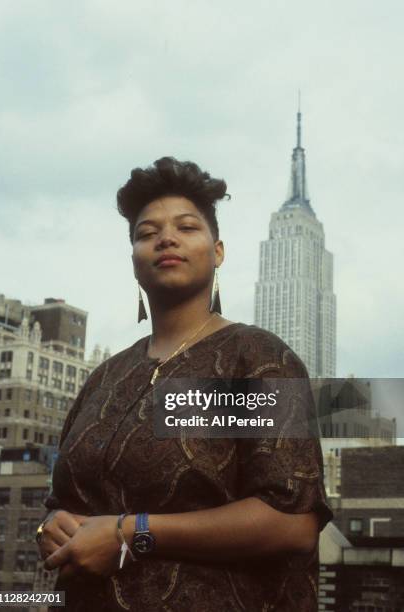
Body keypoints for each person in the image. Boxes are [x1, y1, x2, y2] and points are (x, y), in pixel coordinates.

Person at [38, 157, 333, 611]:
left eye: (187, 227)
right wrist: (53, 525)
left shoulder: (253, 358)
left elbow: (290, 521)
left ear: (218, 251)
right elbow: (62, 501)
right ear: (135, 261)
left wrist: (129, 533)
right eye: (146, 232)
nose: (166, 238)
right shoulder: (104, 377)